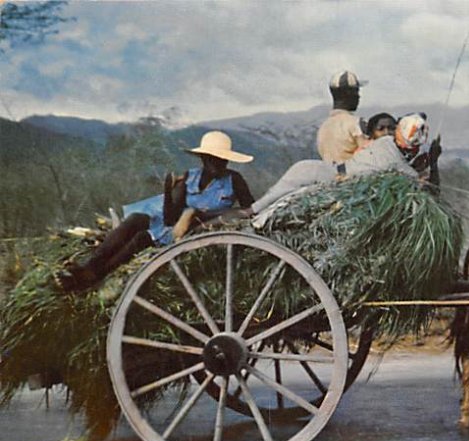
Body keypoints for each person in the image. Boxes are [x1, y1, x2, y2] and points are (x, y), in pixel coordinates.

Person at [56, 130, 255, 292]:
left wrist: (198, 214)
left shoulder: (234, 180)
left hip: (196, 230)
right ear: (203, 159)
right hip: (173, 226)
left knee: (142, 238)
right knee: (135, 220)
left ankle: (97, 275)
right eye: (213, 159)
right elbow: (170, 218)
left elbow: (249, 209)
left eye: (222, 160)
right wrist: (168, 191)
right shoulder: (189, 178)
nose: (219, 165)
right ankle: (89, 267)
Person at [251, 113, 438, 228]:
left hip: (322, 172)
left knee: (268, 205)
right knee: (264, 208)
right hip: (317, 175)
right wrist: (432, 161)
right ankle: (246, 214)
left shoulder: (387, 144)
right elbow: (423, 184)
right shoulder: (392, 156)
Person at [316, 70, 370, 163]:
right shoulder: (357, 124)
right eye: (357, 91)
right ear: (349, 93)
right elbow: (370, 155)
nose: (359, 96)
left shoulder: (323, 128)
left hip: (329, 175)